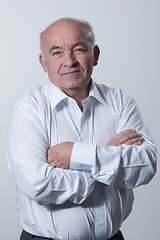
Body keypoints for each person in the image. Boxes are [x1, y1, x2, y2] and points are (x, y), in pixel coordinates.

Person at [6, 17, 157, 240]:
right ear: (43, 62)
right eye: (57, 52)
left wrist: (77, 155)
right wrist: (108, 154)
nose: (69, 61)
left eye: (78, 49)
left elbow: (145, 165)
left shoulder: (120, 102)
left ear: (95, 55)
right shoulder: (29, 111)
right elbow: (38, 185)